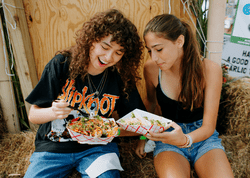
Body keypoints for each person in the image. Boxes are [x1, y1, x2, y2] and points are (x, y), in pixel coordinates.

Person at [24, 9, 145, 178]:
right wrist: (52, 112)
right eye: (105, 46)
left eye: (118, 52)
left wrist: (107, 129)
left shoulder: (121, 76)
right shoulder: (61, 64)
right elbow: (33, 115)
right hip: (55, 149)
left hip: (98, 149)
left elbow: (139, 124)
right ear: (91, 40)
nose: (109, 57)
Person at [135, 14, 234, 178]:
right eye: (150, 50)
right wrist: (142, 137)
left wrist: (185, 139)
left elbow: (209, 127)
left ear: (179, 42)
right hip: (167, 136)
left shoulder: (210, 70)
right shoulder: (151, 69)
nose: (154, 57)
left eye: (159, 49)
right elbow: (150, 104)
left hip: (204, 137)